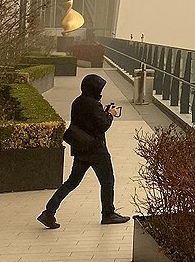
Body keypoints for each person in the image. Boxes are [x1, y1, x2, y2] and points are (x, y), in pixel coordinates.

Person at [38, 74, 130, 228]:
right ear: (95, 89)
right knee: (107, 181)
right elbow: (102, 125)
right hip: (97, 150)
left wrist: (103, 112)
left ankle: (49, 211)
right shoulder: (94, 105)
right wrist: (110, 115)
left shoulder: (78, 102)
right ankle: (108, 214)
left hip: (81, 149)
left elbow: (85, 121)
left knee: (72, 182)